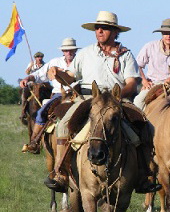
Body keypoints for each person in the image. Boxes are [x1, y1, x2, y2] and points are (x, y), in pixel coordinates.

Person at [43, 11, 161, 193]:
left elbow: (132, 83)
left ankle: (144, 175)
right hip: (89, 98)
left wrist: (116, 97)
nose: (99, 31)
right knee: (63, 125)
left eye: (104, 28)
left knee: (145, 126)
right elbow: (71, 75)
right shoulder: (85, 53)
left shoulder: (126, 55)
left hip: (117, 99)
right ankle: (62, 173)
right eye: (97, 28)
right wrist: (58, 73)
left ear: (115, 32)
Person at [20, 38, 80, 154]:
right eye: (66, 50)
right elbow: (39, 74)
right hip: (59, 94)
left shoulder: (80, 61)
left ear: (75, 50)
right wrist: (28, 78)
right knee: (42, 112)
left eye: (71, 50)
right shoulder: (55, 62)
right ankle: (34, 142)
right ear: (63, 51)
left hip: (77, 94)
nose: (69, 53)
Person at [134, 18, 170, 110]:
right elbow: (137, 65)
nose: (168, 36)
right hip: (154, 84)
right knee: (138, 102)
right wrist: (144, 81)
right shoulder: (150, 46)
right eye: (166, 33)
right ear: (162, 34)